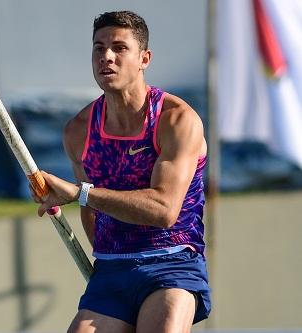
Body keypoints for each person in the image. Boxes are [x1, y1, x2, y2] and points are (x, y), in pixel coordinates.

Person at [30, 10, 211, 333]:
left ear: (144, 58)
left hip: (171, 264)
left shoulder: (176, 120)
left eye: (119, 48)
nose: (106, 57)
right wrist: (108, 253)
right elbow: (92, 215)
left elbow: (164, 209)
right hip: (112, 271)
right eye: (98, 48)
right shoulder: (79, 131)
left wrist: (80, 192)